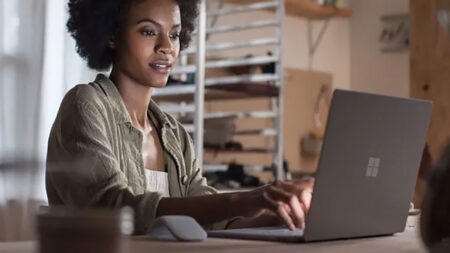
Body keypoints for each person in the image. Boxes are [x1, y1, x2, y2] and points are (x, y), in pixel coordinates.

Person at [46, 0, 313, 234]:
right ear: (113, 34)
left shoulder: (173, 133)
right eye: (149, 31)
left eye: (174, 35)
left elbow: (214, 223)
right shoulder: (86, 105)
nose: (166, 47)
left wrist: (285, 217)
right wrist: (248, 198)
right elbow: (114, 209)